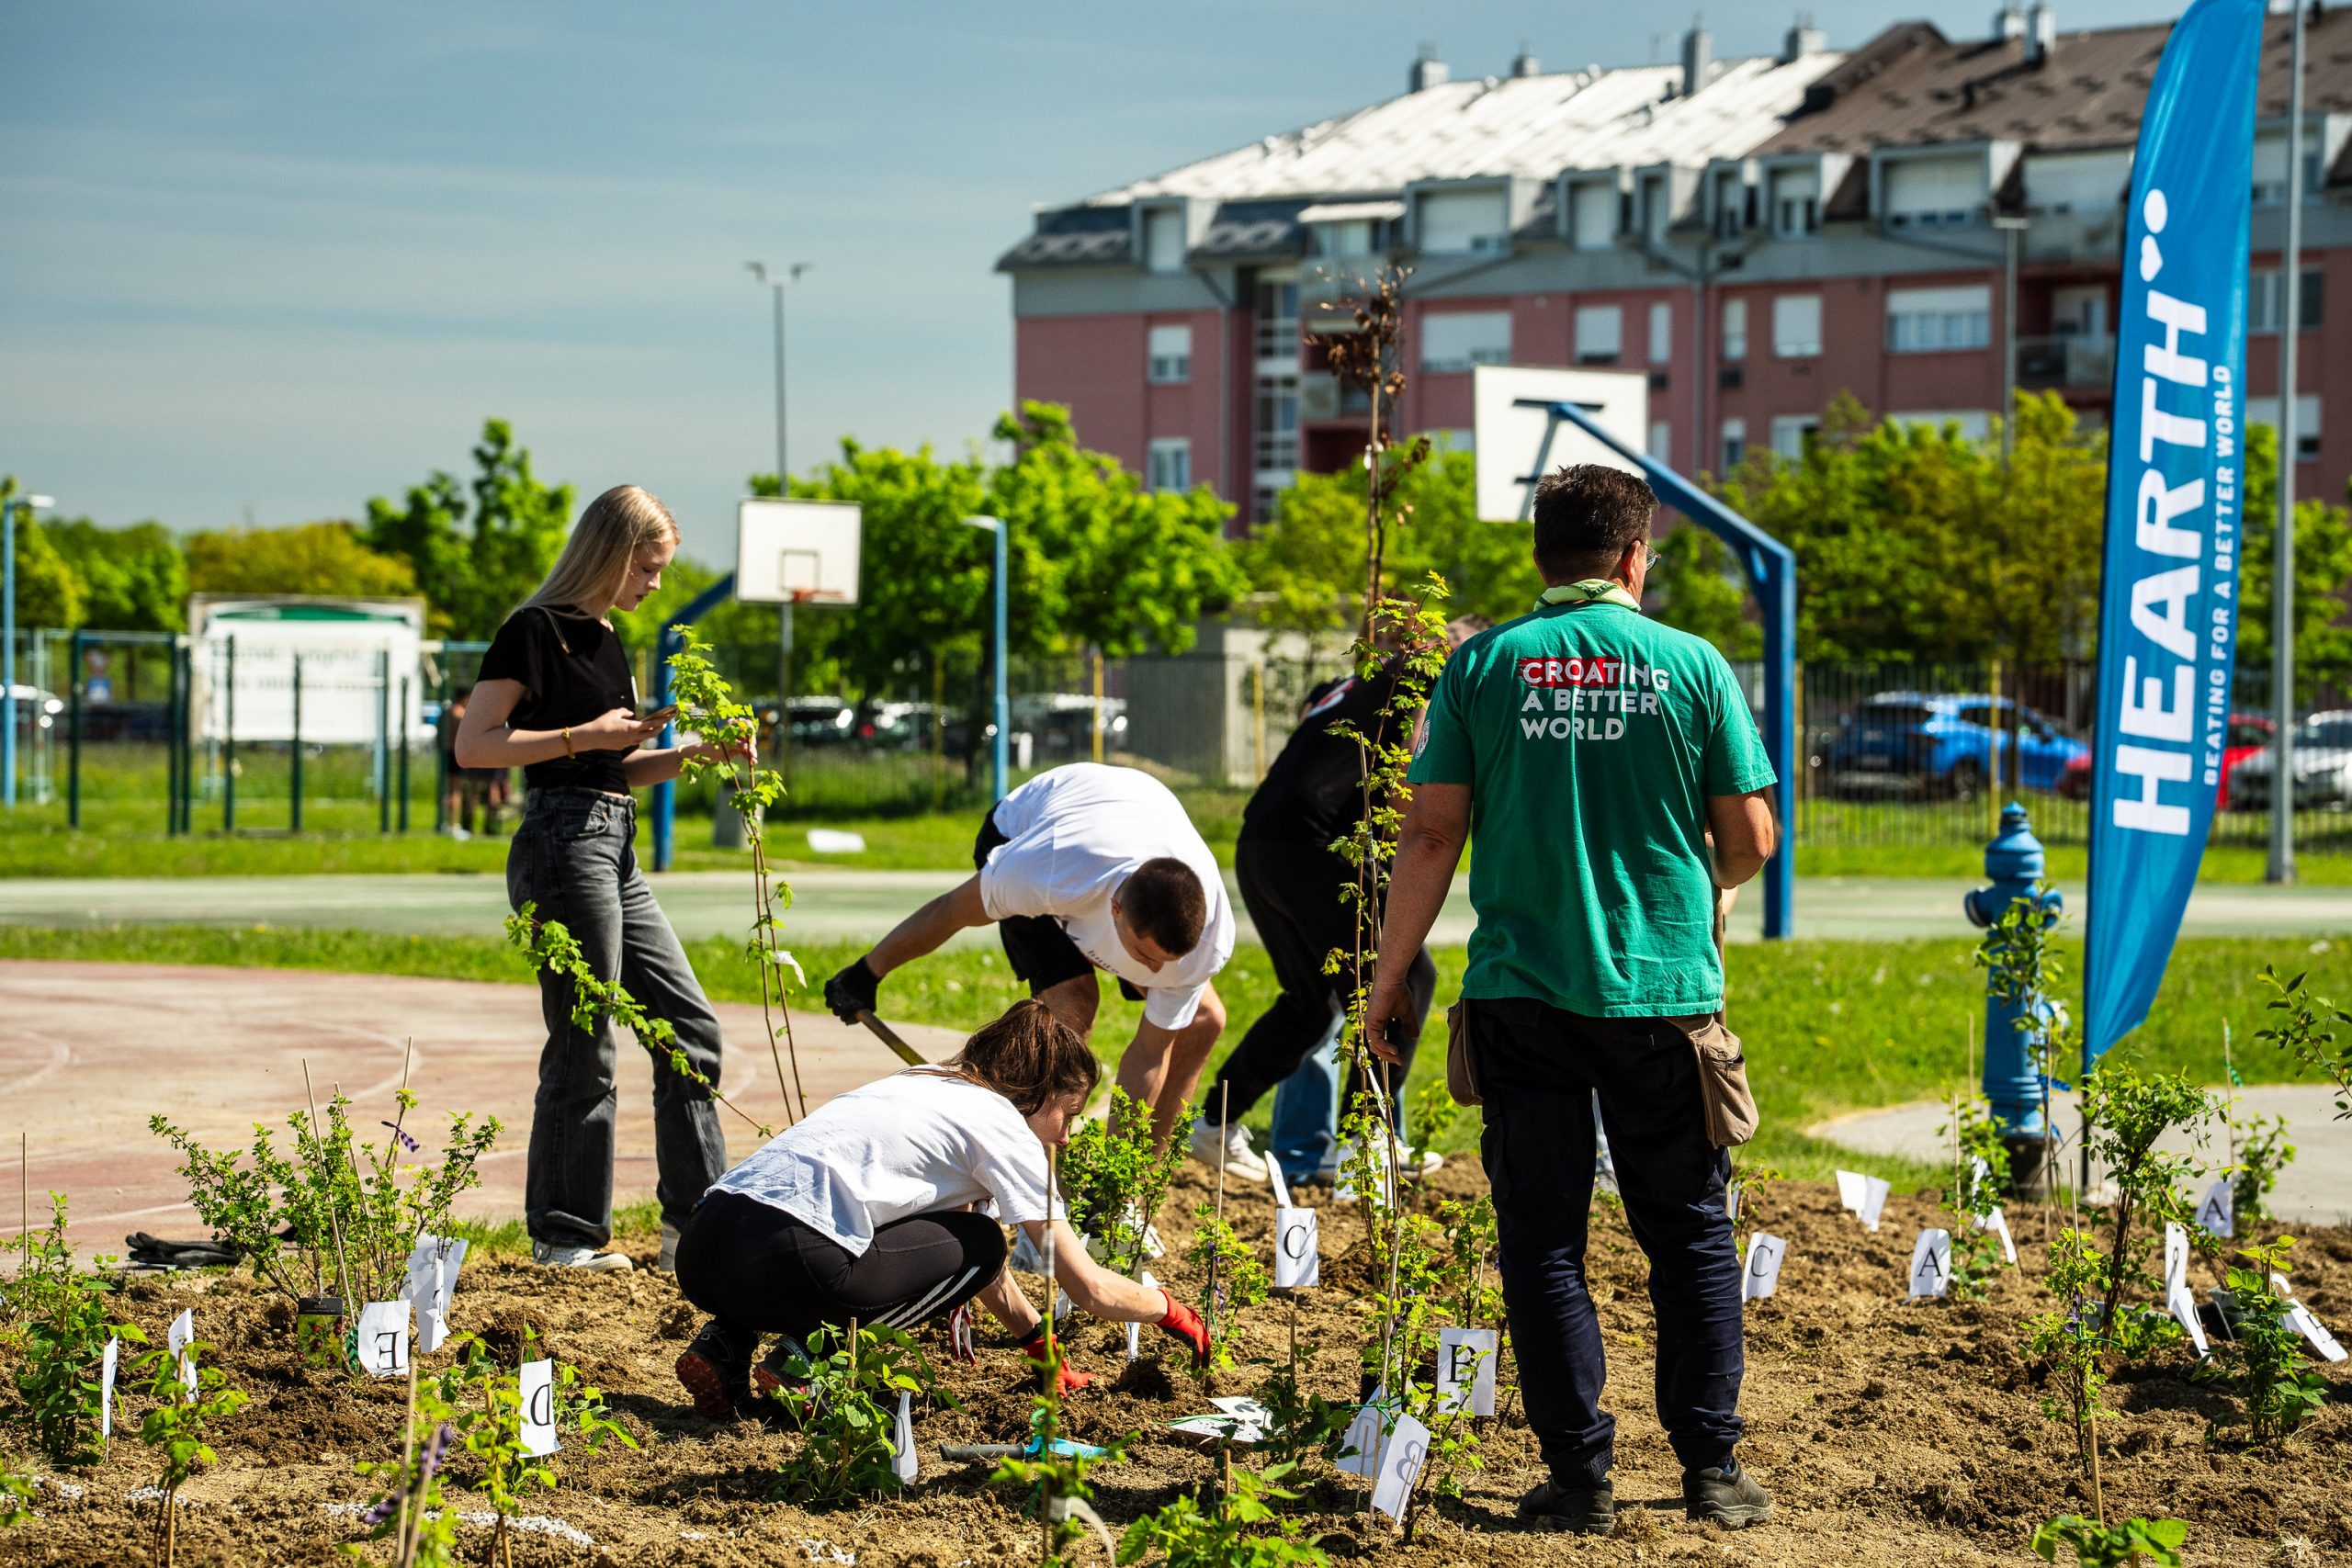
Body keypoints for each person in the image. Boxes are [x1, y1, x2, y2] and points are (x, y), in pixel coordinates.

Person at [1365, 464, 1780, 1535]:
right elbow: (1750, 838)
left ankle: (1579, 1480)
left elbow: (1429, 834)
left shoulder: (1482, 665)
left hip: (1522, 995)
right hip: (1661, 994)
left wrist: (1387, 978)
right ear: (1636, 557)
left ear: (1539, 555)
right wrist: (1710, 885)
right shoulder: (1693, 664)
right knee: (1687, 1233)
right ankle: (1711, 1471)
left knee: (1542, 1239)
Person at [456, 484, 749, 1275]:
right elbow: (475, 746)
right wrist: (582, 733)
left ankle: (695, 1229)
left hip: (614, 843)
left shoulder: (610, 636)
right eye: (646, 568)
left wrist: (697, 754)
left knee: (689, 1032)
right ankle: (566, 1234)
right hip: (562, 842)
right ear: (609, 553)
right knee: (586, 1039)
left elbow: (615, 766)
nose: (655, 584)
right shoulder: (533, 630)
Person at [670, 999, 1213, 1418]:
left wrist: (1037, 1343)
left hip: (702, 1248)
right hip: (792, 1257)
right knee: (983, 1241)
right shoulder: (1004, 1125)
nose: (1066, 1136)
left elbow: (948, 1255)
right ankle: (809, 1360)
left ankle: (723, 1345)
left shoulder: (918, 1081)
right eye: (1067, 1115)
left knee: (906, 1234)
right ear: (1038, 1093)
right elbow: (1084, 1286)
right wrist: (1168, 1308)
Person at [1191, 618, 1488, 1185]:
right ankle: (1365, 1146)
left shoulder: (1353, 683)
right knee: (1410, 976)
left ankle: (1215, 1122)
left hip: (1260, 844)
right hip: (1319, 845)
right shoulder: (1426, 678)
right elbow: (1406, 778)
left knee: (1311, 1003)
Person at [823, 762, 1233, 1149]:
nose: (1155, 972)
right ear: (1116, 909)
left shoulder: (1208, 939)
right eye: (1144, 956)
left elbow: (1149, 1054)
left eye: (1167, 961)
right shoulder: (1046, 869)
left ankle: (1138, 1184)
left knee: (1202, 1021)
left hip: (1127, 818)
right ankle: (1031, 1166)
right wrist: (868, 972)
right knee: (1073, 1007)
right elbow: (949, 912)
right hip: (1026, 828)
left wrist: (1118, 1172)